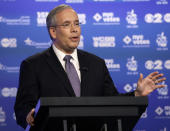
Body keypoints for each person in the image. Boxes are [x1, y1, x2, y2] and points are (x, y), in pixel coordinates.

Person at [14, 4, 166, 131]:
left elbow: (112, 102)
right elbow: (23, 107)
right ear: (53, 31)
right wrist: (29, 115)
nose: (75, 29)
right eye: (67, 24)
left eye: (77, 23)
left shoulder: (96, 64)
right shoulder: (33, 65)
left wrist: (137, 95)